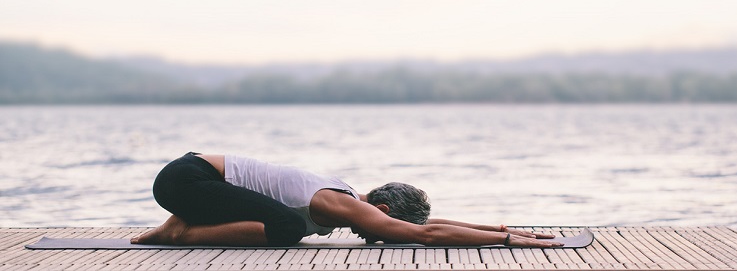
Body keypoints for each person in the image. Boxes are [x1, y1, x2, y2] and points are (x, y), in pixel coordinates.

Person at [131, 152, 563, 248]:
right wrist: (510, 245)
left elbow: (424, 226)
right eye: (385, 230)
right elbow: (428, 236)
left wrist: (503, 227)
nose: (373, 236)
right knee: (286, 229)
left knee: (288, 225)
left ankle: (180, 223)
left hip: (188, 180)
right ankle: (182, 229)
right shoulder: (344, 204)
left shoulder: (351, 198)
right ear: (384, 211)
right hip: (187, 181)